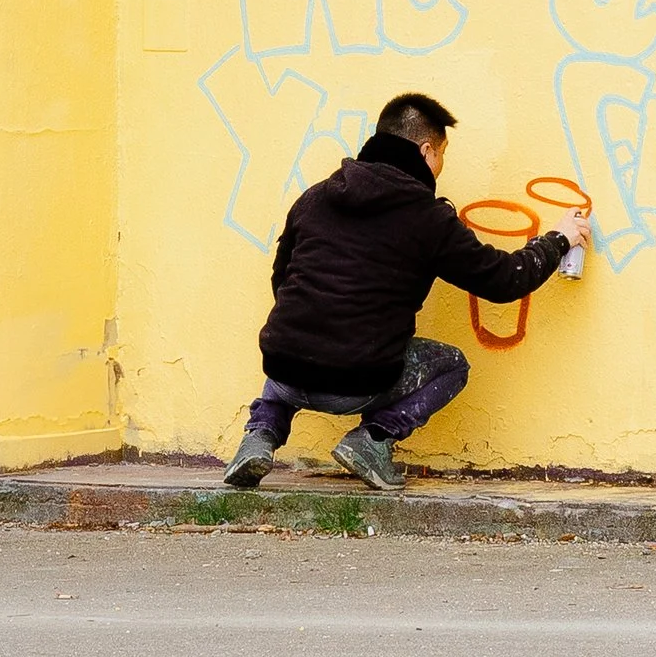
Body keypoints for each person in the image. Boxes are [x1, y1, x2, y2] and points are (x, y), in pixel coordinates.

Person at [226, 91, 589, 492]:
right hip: (357, 383)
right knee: (453, 365)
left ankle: (259, 435)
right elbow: (504, 280)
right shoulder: (427, 218)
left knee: (297, 330)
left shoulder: (315, 198)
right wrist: (559, 239)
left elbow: (283, 281)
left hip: (283, 369)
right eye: (442, 155)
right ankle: (374, 439)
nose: (441, 167)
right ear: (426, 149)